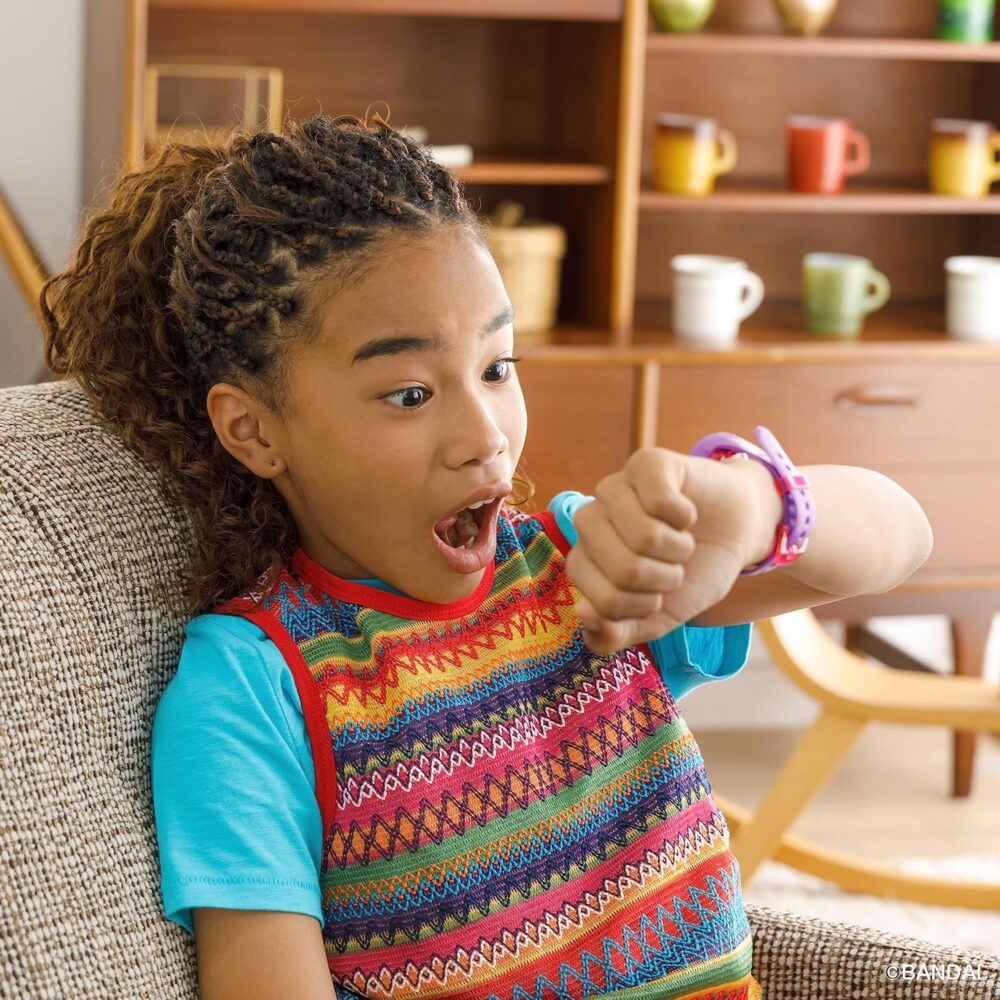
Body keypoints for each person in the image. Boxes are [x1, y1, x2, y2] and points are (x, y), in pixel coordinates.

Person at [39, 110, 933, 1000]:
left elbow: (900, 537)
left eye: (499, 367)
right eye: (411, 392)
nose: (484, 437)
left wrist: (753, 503)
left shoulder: (586, 574)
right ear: (254, 428)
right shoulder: (253, 690)